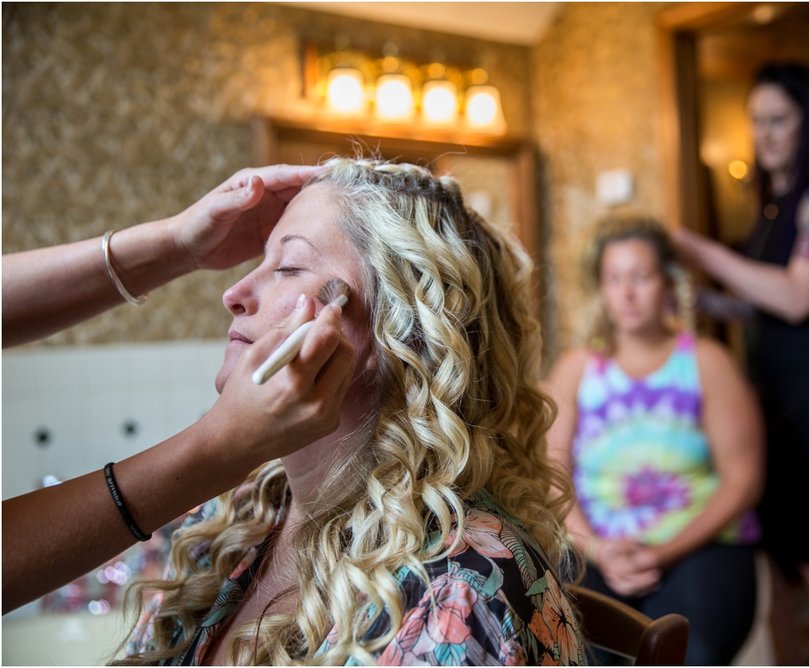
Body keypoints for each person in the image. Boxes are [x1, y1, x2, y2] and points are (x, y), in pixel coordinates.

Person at [113, 157, 586, 665]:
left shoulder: (463, 588)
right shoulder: (236, 517)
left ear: (404, 327)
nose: (234, 294)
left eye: (289, 266)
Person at [2, 164, 356, 613]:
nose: (233, 292)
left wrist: (175, 245)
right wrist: (216, 446)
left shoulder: (456, 595)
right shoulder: (229, 528)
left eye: (287, 267)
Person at [671, 62, 809, 665]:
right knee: (784, 570)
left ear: (808, 123)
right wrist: (697, 300)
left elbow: (799, 295)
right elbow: (761, 304)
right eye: (756, 122)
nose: (764, 135)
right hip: (781, 405)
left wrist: (703, 250)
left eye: (778, 121)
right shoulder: (773, 205)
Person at [546, 214, 764, 665]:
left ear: (668, 282)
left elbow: (743, 479)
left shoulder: (707, 361)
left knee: (690, 655)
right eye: (615, 279)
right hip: (595, 548)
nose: (627, 293)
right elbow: (551, 473)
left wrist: (662, 552)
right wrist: (599, 549)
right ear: (601, 289)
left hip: (699, 546)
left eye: (641, 277)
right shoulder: (576, 369)